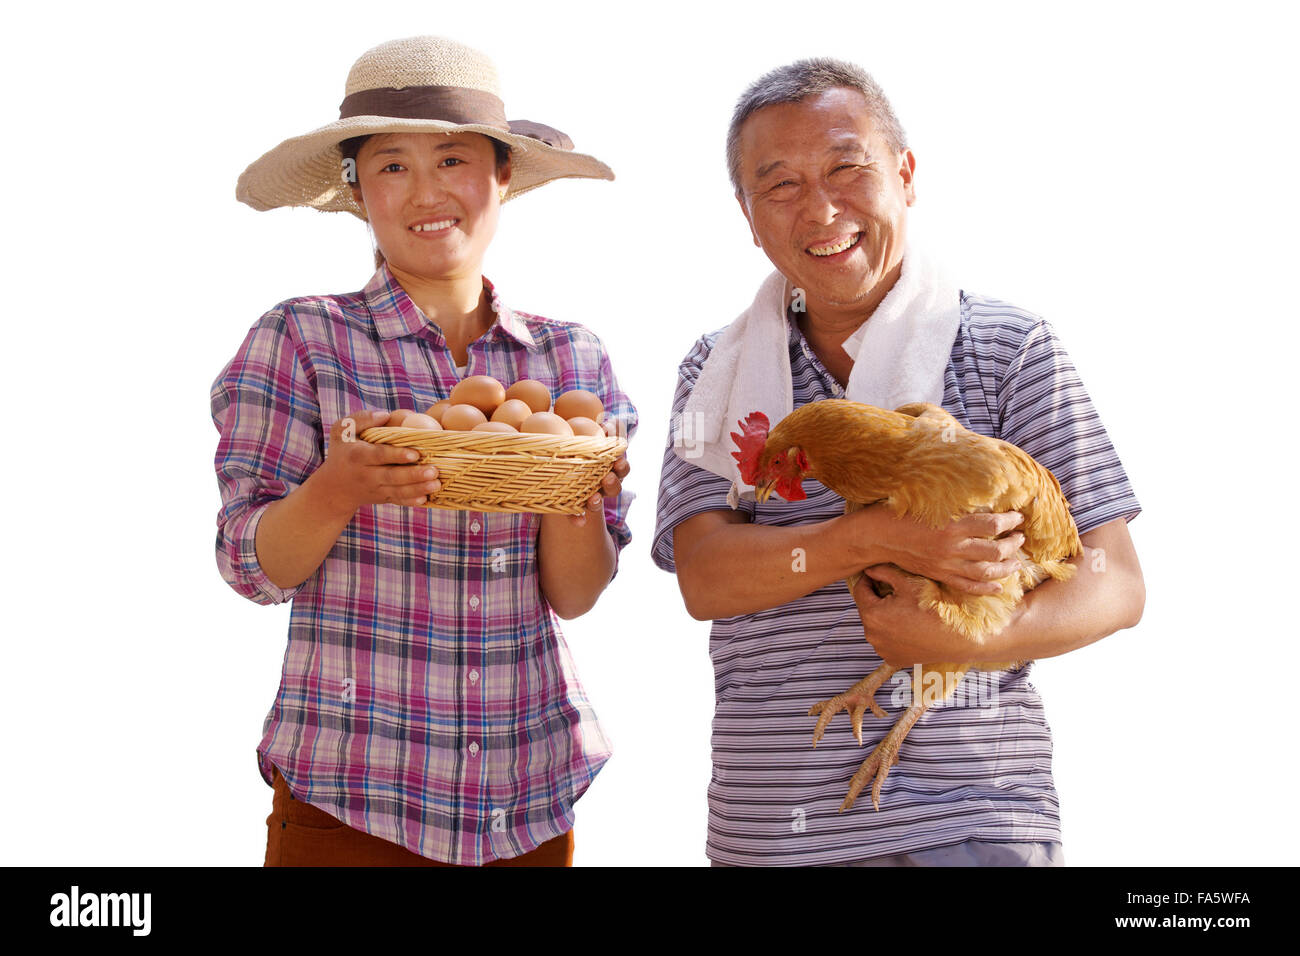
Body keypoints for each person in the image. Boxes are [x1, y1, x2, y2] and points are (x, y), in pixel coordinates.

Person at [652, 58, 1144, 866]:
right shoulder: (714, 370)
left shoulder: (1007, 347)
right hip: (777, 824)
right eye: (779, 185)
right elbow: (705, 578)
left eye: (848, 167)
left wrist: (965, 638)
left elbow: (1115, 582)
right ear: (747, 214)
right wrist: (875, 540)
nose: (820, 208)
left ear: (905, 174)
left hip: (972, 820)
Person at [211, 36, 635, 867]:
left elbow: (577, 594)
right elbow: (248, 565)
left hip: (528, 800)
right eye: (393, 166)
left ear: (503, 176)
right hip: (352, 798)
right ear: (357, 189)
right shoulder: (301, 339)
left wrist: (574, 492)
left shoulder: (571, 359)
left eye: (453, 158)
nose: (427, 191)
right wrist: (335, 491)